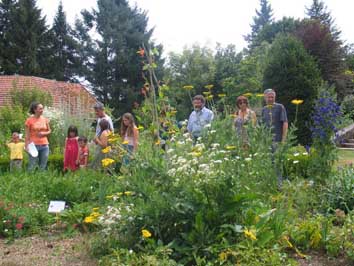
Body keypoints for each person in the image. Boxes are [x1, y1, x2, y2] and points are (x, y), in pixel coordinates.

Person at [261, 88, 288, 188]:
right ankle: (270, 184)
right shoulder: (264, 109)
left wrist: (283, 140)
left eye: (272, 97)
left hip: (277, 140)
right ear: (265, 98)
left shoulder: (280, 107)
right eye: (269, 97)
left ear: (275, 97)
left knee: (278, 162)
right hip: (267, 141)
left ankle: (279, 185)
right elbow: (262, 126)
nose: (270, 99)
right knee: (268, 162)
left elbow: (285, 123)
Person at [25, 102, 51, 170]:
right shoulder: (29, 120)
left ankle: (41, 179)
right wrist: (26, 146)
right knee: (32, 165)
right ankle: (30, 179)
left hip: (45, 145)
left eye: (42, 109)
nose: (42, 110)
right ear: (34, 110)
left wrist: (44, 133)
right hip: (33, 145)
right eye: (40, 109)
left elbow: (49, 131)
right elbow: (27, 134)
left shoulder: (45, 119)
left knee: (43, 165)